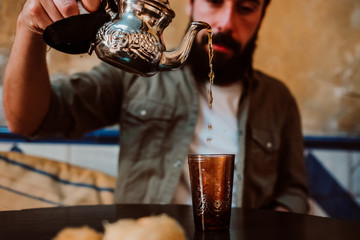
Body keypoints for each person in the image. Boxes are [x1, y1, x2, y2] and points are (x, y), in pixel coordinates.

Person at [3, 0, 309, 213]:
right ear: (191, 4)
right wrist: (29, 30)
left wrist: (274, 220)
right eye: (214, 1)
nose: (226, 22)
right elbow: (28, 121)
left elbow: (293, 191)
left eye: (246, 8)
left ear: (261, 16)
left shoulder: (278, 100)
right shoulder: (134, 74)